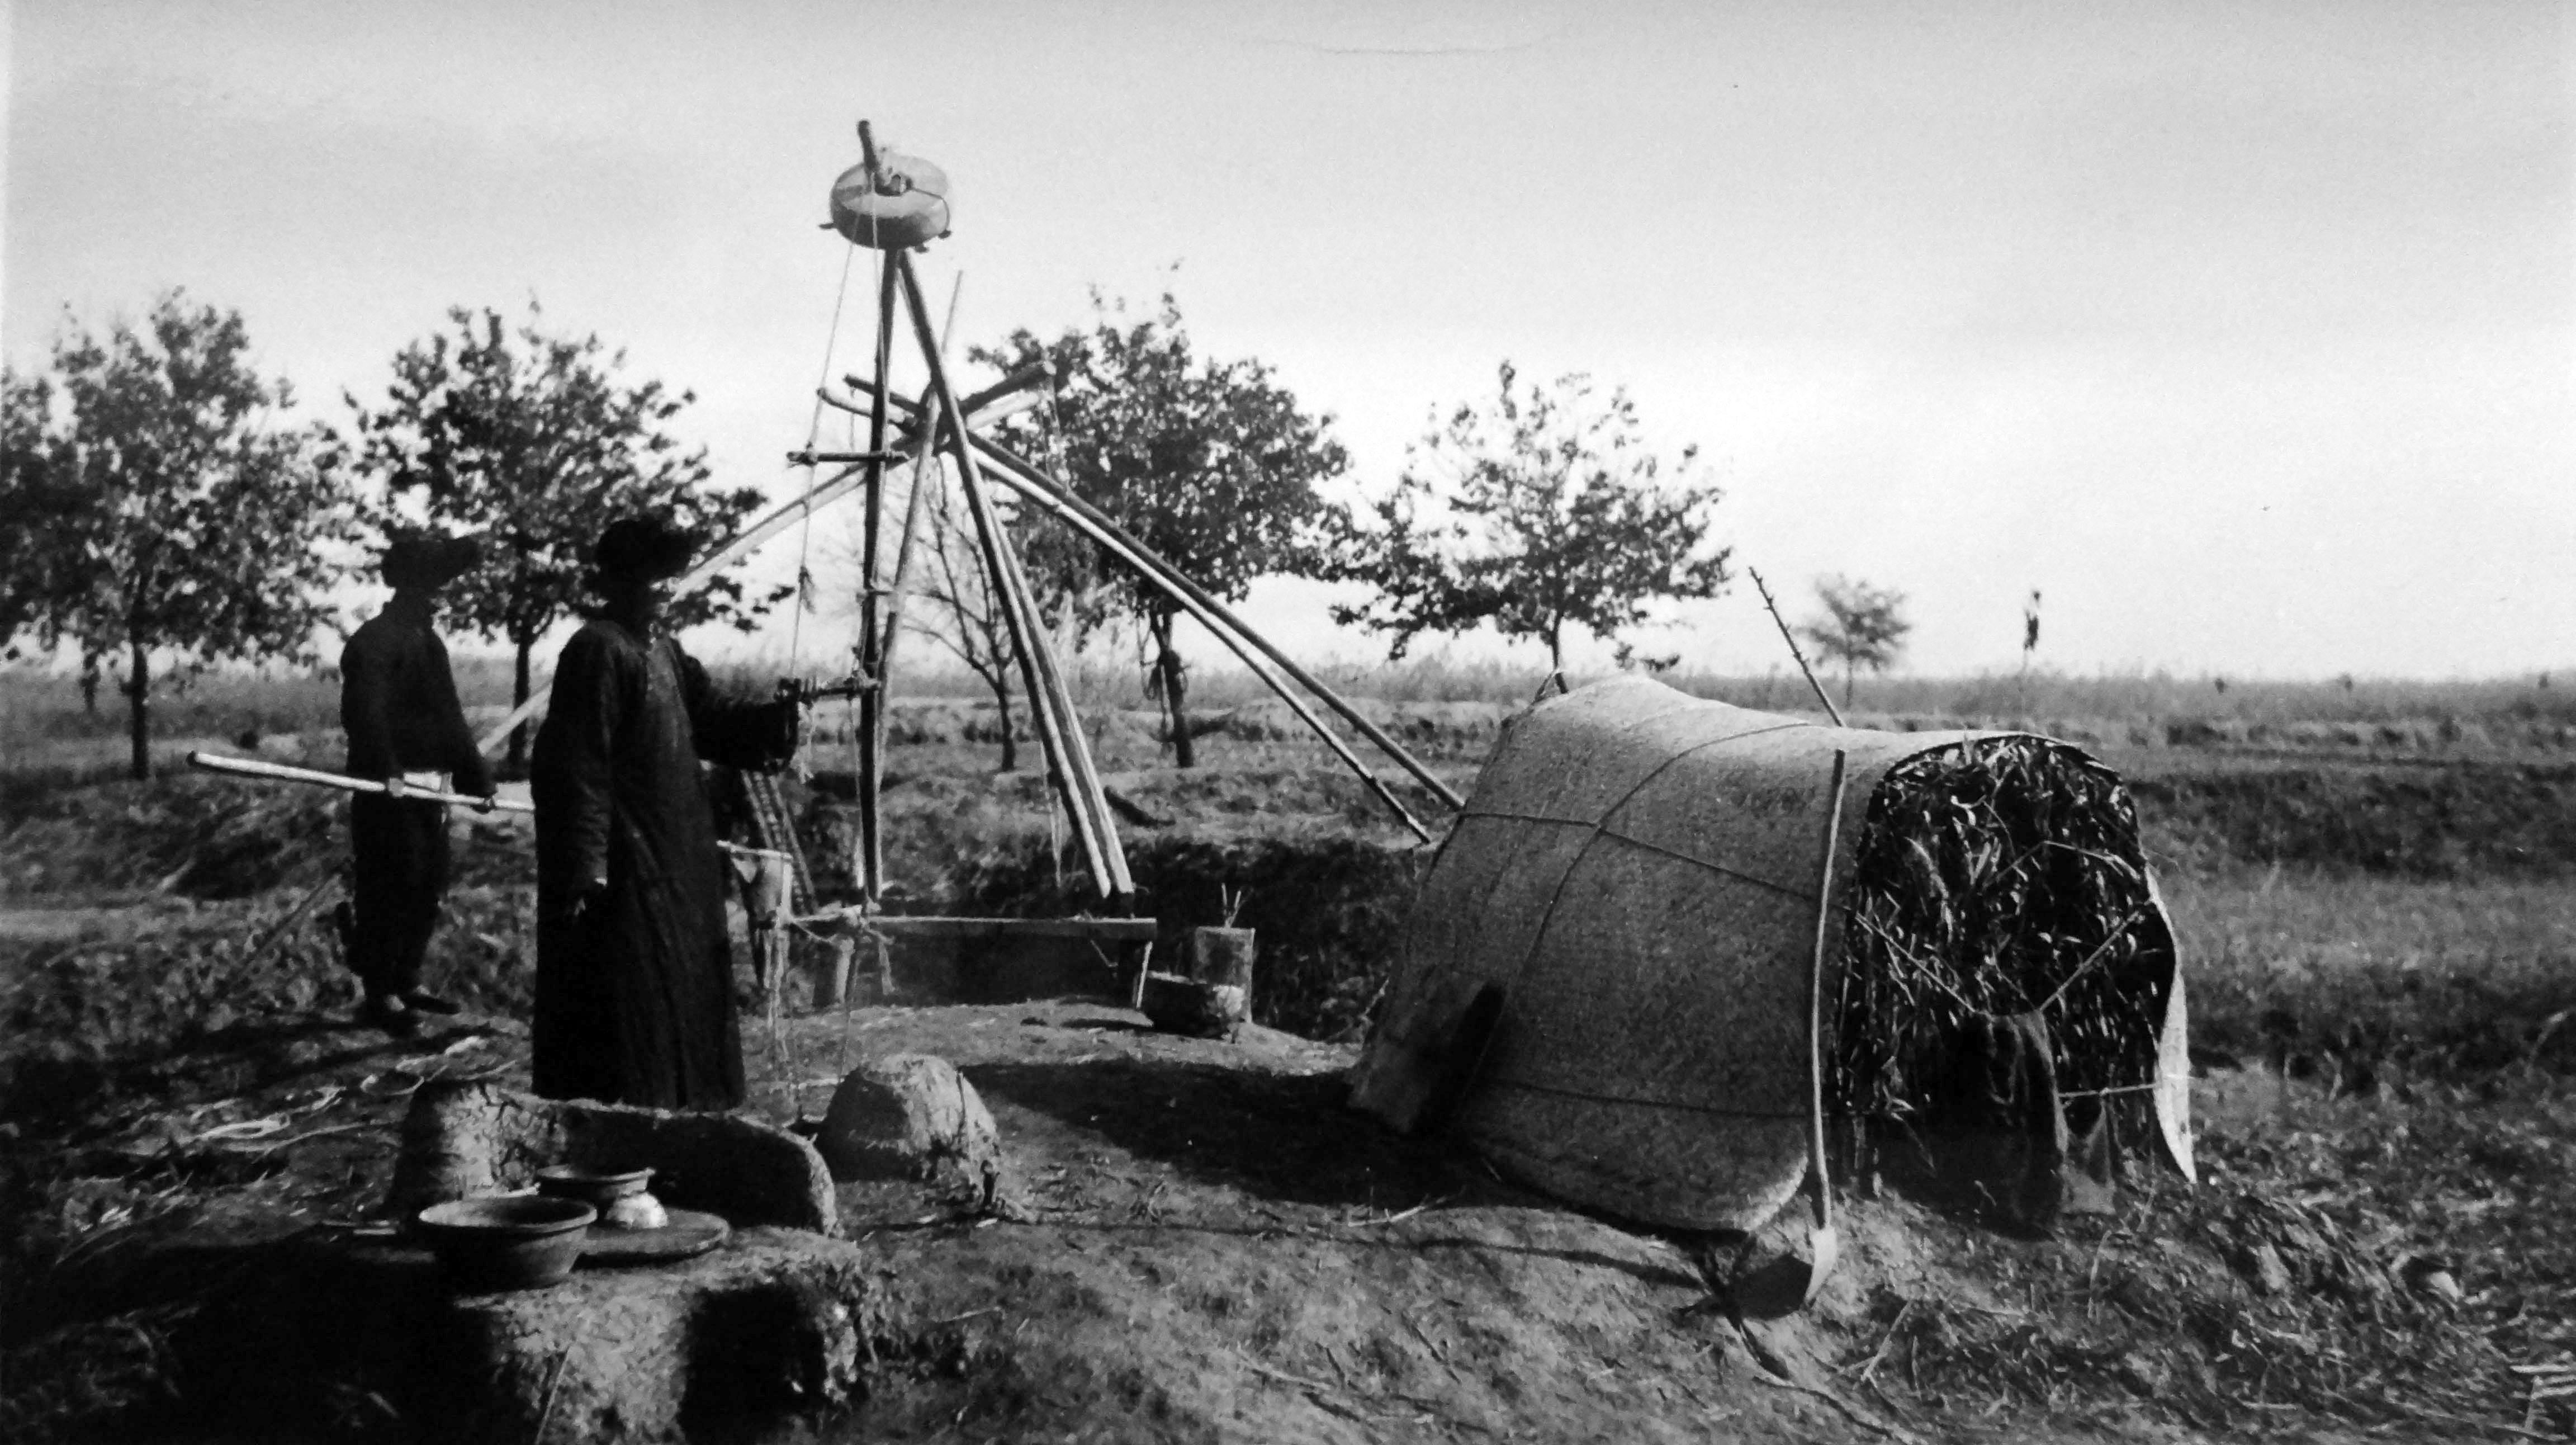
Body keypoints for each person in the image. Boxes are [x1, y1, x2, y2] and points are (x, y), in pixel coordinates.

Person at [529, 515, 799, 1109]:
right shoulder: (599, 651)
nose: (671, 589)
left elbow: (716, 720)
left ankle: (689, 1114)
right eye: (658, 578)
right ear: (622, 581)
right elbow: (577, 767)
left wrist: (781, 718)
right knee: (630, 1003)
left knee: (683, 988)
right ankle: (629, 1126)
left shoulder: (666, 653)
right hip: (627, 865)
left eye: (674, 577)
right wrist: (587, 865)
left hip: (679, 859)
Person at [339, 531, 498, 1036]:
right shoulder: (373, 642)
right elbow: (364, 716)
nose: (442, 595)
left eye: (444, 585)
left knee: (429, 883)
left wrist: (477, 779)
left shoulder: (430, 643)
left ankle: (406, 978)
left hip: (433, 789)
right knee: (391, 884)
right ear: (408, 586)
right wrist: (386, 771)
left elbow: (450, 717)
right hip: (389, 790)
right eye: (433, 585)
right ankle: (379, 991)